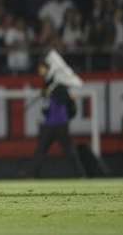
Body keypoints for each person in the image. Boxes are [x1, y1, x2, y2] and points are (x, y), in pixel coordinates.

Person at [27, 50, 86, 178]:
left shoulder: (59, 85)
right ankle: (32, 174)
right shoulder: (49, 84)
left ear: (47, 68)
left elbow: (65, 100)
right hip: (50, 123)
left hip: (60, 123)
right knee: (41, 150)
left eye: (41, 68)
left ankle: (80, 174)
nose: (39, 70)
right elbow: (47, 106)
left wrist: (51, 93)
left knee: (69, 152)